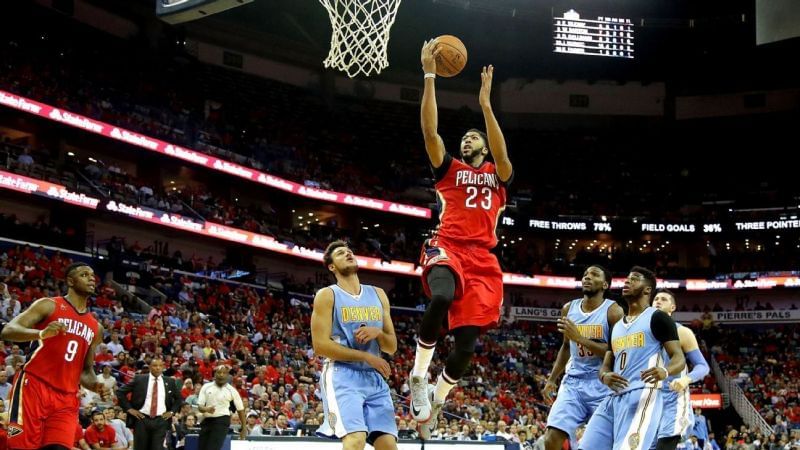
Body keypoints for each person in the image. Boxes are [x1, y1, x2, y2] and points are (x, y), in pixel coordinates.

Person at [409, 39, 514, 440]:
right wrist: (430, 74)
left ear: (484, 145)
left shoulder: (497, 175)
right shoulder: (448, 169)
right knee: (440, 297)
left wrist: (486, 107)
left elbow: (503, 157)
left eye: (474, 138)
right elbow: (429, 130)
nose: (467, 141)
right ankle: (419, 375)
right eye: (465, 138)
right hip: (446, 245)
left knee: (467, 346)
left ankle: (437, 399)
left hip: (484, 259)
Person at [579, 266, 686, 450]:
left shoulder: (658, 318)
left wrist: (665, 371)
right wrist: (605, 376)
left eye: (634, 279)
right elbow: (605, 366)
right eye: (627, 278)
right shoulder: (616, 325)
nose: (627, 281)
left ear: (647, 290)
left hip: (643, 393)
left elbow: (679, 357)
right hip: (612, 397)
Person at [1, 262, 106, 450]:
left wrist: (95, 384)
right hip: (34, 386)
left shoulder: (96, 327)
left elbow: (86, 370)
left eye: (92, 276)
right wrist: (40, 333)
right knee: (20, 447)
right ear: (70, 281)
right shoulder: (49, 305)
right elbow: (8, 330)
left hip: (66, 397)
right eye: (84, 275)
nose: (91, 278)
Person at [311, 241, 399, 450]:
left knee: (388, 445)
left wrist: (378, 333)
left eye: (350, 251)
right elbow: (320, 346)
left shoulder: (378, 294)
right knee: (355, 439)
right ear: (332, 266)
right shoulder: (327, 295)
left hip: (373, 378)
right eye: (341, 253)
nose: (348, 254)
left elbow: (391, 346)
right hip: (342, 374)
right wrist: (366, 356)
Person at [542, 265, 624, 450]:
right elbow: (566, 346)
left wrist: (580, 338)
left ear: (605, 285)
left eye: (594, 275)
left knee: (597, 445)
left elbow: (617, 351)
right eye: (585, 274)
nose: (587, 277)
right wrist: (552, 379)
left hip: (603, 384)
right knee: (551, 439)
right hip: (574, 383)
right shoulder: (568, 308)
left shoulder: (613, 312)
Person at [651, 290, 710, 450]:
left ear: (672, 307)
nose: (658, 301)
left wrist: (686, 379)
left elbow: (703, 366)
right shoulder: (642, 332)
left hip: (673, 397)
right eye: (655, 299)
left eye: (663, 299)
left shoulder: (682, 332)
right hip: (647, 398)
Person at [116, 357, 181, 450]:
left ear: (163, 367)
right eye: (155, 365)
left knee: (157, 448)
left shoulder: (169, 381)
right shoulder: (139, 379)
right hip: (141, 419)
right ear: (150, 367)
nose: (157, 368)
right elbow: (120, 392)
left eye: (160, 366)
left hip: (161, 420)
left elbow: (179, 399)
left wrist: (171, 412)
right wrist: (129, 409)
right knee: (140, 447)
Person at [197, 365, 247, 450]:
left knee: (212, 448)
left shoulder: (232, 390)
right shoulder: (206, 387)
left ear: (228, 376)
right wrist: (206, 409)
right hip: (206, 420)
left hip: (222, 421)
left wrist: (244, 427)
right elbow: (200, 406)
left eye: (224, 373)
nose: (221, 375)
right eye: (219, 372)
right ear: (215, 374)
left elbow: (240, 409)